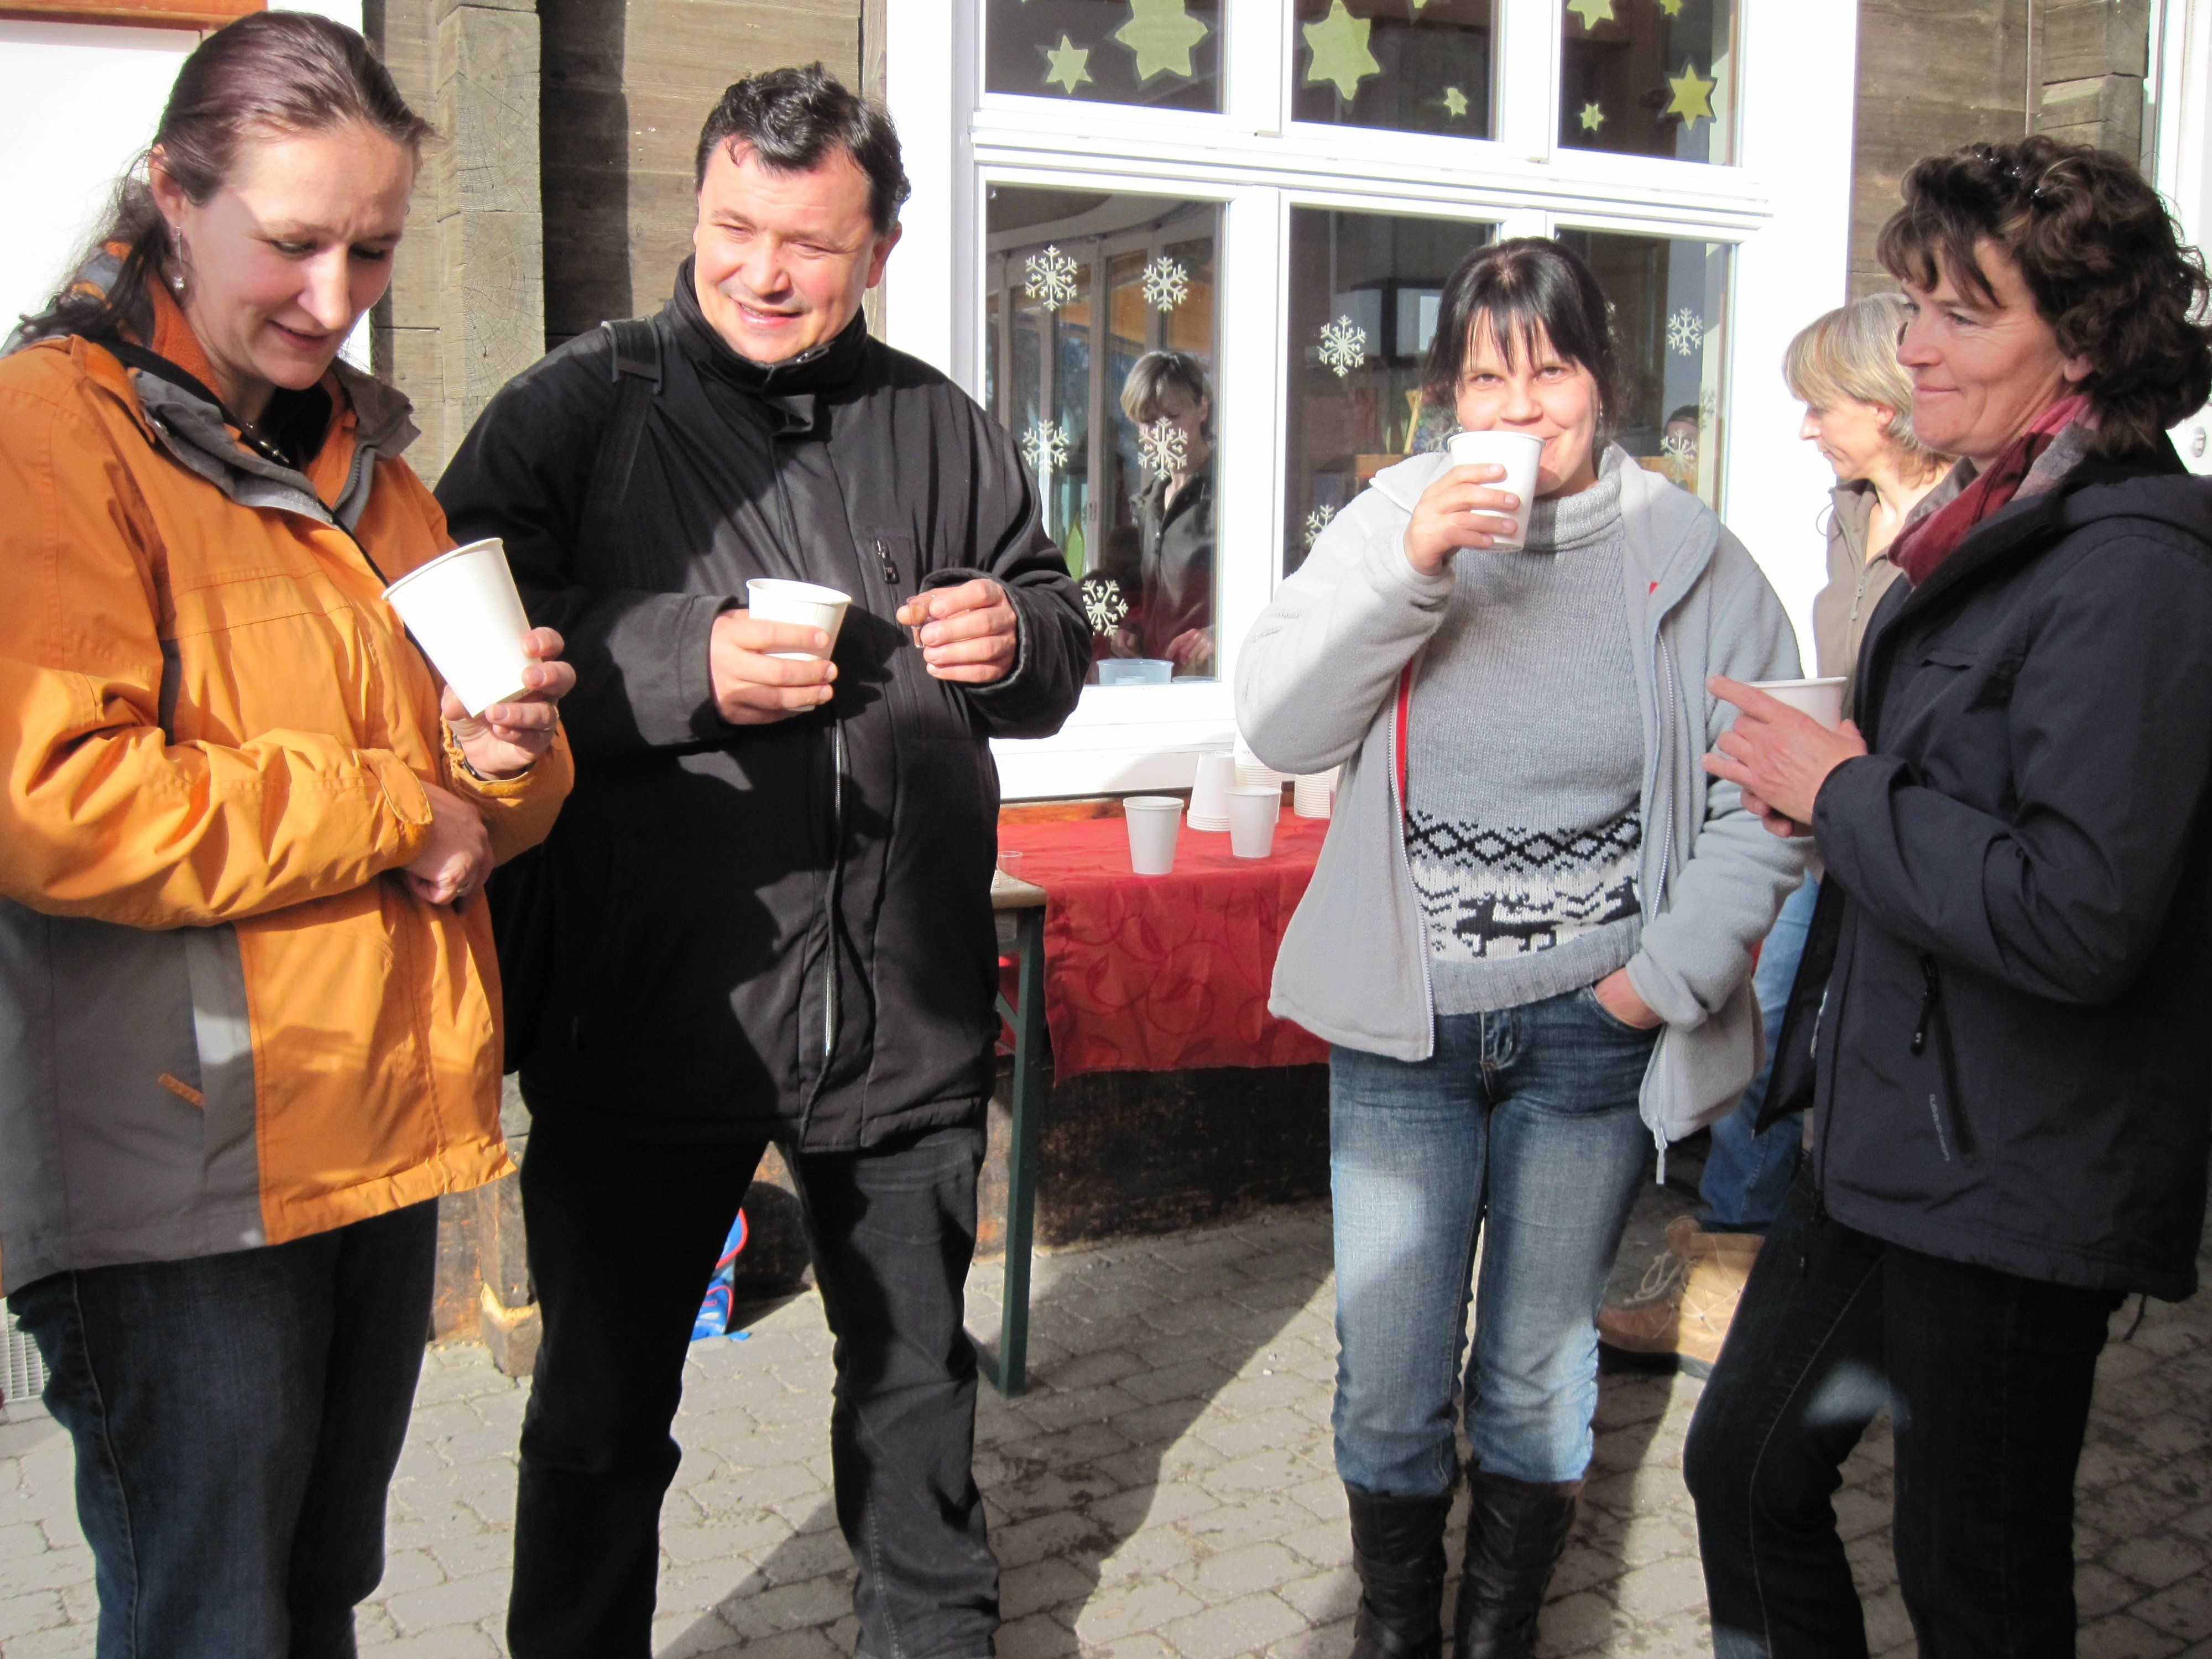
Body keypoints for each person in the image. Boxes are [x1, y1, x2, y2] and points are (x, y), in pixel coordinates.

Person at [433, 64, 1090, 1659]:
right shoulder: (577, 407)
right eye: (735, 227)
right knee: (600, 1420)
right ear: (699, 209)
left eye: (807, 242)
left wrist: (1019, 638)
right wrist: (681, 664)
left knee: (916, 1406)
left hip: (899, 1024)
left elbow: (1055, 623)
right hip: (650, 1016)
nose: (763, 271)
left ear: (879, 248)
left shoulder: (940, 420)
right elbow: (446, 640)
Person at [0, 13, 575, 1653]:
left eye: (372, 249)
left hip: (371, 1134)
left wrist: (502, 753)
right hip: (181, 1173)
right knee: (213, 1622)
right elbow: (54, 799)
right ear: (174, 198)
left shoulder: (372, 471)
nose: (335, 297)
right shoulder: (50, 433)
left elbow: (503, 804)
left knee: (316, 1597)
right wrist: (402, 804)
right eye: (295, 242)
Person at [1237, 237, 1806, 1659]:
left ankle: (1497, 1635)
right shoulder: (1386, 521)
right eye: (1485, 377)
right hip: (1405, 1028)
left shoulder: (1690, 556)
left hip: (1587, 1033)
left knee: (1535, 1377)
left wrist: (1650, 986)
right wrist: (1412, 567)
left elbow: (1763, 803)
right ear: (1445, 396)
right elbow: (1281, 726)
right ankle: (1394, 1632)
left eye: (1547, 369)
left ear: (1601, 380)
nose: (1518, 404)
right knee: (1389, 1381)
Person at [1687, 135, 2212, 1659]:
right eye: (1913, 304)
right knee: (1744, 1471)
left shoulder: (2136, 570)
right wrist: (1827, 796)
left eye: (1961, 313)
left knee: (1973, 1580)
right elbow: (1950, 804)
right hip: (1887, 1137)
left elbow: (2081, 911)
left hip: (2020, 1165)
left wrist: (1848, 797)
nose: (1912, 344)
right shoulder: (1992, 521)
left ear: (2084, 343)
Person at [1600, 295, 1952, 1374]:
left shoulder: (1967, 525)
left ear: (1884, 405)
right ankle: (1734, 1257)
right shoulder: (1852, 512)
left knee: (1807, 1038)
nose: (1805, 426)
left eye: (1821, 404)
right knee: (1765, 1028)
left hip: (1902, 827)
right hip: (1826, 818)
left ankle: (1753, 1272)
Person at [1106, 349, 1215, 675]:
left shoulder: (1230, 496)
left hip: (1213, 684)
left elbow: (1273, 590)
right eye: (1150, 421)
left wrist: (1221, 634)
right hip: (1159, 683)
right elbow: (1163, 605)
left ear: (1202, 409)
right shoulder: (1149, 505)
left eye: (1172, 416)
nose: (1162, 432)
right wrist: (1133, 630)